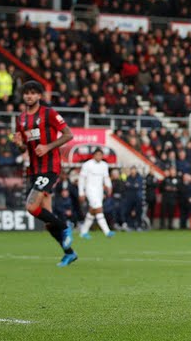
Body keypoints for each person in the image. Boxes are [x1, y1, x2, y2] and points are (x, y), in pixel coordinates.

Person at [13, 80, 78, 267]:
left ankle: (66, 227)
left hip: (50, 167)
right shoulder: (21, 119)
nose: (29, 96)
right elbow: (22, 147)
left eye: (33, 93)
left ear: (39, 96)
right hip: (34, 169)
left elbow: (68, 134)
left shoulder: (48, 113)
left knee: (31, 207)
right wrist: (19, 145)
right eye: (26, 93)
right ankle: (69, 253)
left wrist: (48, 146)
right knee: (47, 219)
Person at [78, 148, 115, 238]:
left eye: (100, 155)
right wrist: (81, 192)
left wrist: (109, 186)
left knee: (92, 211)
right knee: (98, 208)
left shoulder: (104, 165)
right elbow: (81, 179)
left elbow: (106, 177)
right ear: (93, 155)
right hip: (90, 189)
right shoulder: (87, 164)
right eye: (97, 154)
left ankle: (83, 232)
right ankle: (107, 232)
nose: (99, 156)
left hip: (99, 190)